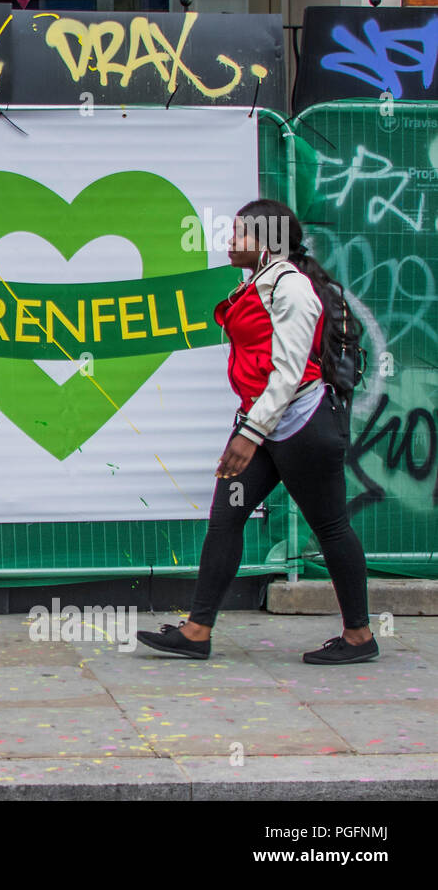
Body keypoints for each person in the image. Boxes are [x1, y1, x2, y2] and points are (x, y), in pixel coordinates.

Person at [136, 199, 377, 665]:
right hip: (262, 425)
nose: (231, 240)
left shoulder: (292, 289)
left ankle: (360, 636)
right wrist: (250, 428)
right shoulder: (260, 284)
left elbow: (289, 375)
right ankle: (196, 631)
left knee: (330, 526)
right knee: (226, 517)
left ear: (268, 243)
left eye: (242, 233)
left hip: (302, 424)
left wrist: (248, 434)